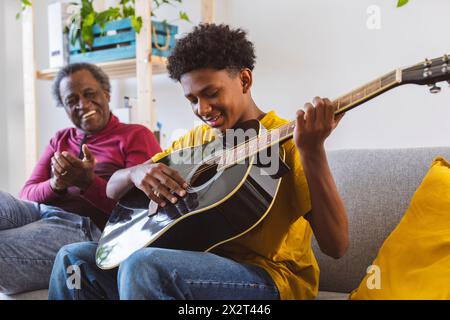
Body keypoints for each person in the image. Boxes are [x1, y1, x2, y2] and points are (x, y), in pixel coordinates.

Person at [48, 24, 348, 300]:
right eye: (192, 99)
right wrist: (138, 172)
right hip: (191, 267)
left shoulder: (283, 141)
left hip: (272, 281)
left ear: (244, 80)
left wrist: (312, 151)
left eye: (211, 93)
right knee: (72, 259)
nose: (202, 108)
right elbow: (113, 190)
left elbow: (336, 245)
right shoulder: (195, 141)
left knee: (144, 266)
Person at [0, 63, 161, 294]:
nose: (82, 105)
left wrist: (88, 182)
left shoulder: (134, 135)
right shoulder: (60, 138)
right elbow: (27, 194)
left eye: (89, 94)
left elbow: (140, 213)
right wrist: (57, 184)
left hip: (88, 230)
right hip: (41, 214)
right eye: (71, 100)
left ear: (106, 94)